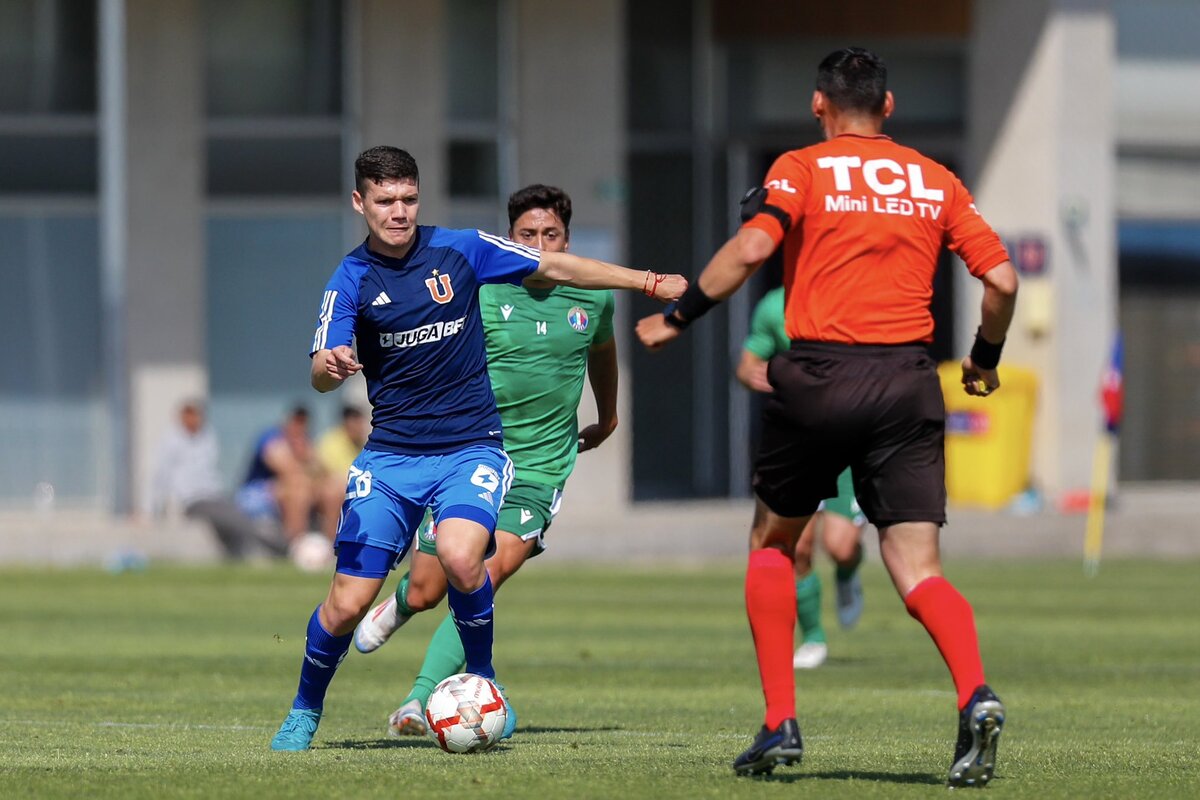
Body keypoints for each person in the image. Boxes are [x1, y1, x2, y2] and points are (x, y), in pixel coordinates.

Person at [637, 48, 1016, 787]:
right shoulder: (933, 179)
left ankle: (781, 721)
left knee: (772, 542)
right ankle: (976, 692)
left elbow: (753, 246)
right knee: (917, 569)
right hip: (909, 381)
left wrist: (680, 318)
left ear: (819, 106)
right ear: (890, 106)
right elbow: (1000, 280)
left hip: (819, 375)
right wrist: (983, 358)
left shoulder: (803, 169)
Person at [270, 147, 685, 751]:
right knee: (345, 603)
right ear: (360, 203)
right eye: (385, 201)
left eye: (408, 198)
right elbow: (318, 369)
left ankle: (482, 681)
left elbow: (558, 267)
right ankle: (305, 709)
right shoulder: (351, 279)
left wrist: (646, 280)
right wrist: (330, 369)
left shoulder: (461, 249)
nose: (399, 211)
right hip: (391, 458)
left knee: (466, 558)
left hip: (472, 446)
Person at [351, 183, 620, 738]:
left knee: (484, 573)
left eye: (551, 235)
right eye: (528, 235)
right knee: (431, 587)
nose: (540, 244)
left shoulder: (593, 296)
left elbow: (603, 351)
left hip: (540, 467)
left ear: (566, 240)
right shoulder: (484, 287)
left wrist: (609, 414)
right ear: (512, 240)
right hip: (470, 454)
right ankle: (402, 601)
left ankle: (419, 700)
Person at [736, 286, 868, 670]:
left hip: (846, 442)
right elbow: (747, 363)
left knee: (841, 546)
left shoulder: (851, 296)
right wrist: (754, 375)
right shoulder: (774, 305)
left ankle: (848, 572)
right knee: (800, 546)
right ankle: (813, 637)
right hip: (796, 442)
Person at [145, 400, 287, 560]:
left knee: (240, 514)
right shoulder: (171, 442)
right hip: (194, 499)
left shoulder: (207, 437)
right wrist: (152, 511)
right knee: (237, 519)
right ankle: (279, 547)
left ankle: (263, 548)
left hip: (215, 495)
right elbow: (160, 478)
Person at [237, 405, 336, 547]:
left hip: (292, 488)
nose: (299, 427)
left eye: (303, 423)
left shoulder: (306, 441)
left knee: (332, 489)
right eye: (296, 422)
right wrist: (303, 458)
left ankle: (330, 546)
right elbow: (286, 469)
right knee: (298, 489)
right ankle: (295, 546)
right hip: (256, 493)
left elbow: (323, 472)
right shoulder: (270, 436)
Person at [315, 405, 370, 538]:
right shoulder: (331, 441)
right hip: (332, 488)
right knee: (333, 493)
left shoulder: (366, 444)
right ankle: (332, 540)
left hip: (357, 488)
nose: (358, 427)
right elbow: (325, 474)